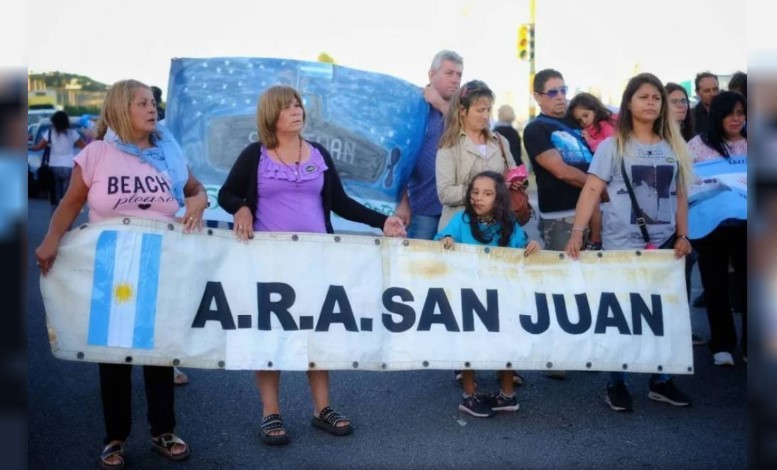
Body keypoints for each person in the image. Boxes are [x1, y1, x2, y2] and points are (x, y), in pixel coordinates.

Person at [217, 85, 406, 446]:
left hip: (317, 261)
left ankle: (322, 409)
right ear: (271, 114)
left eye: (298, 105)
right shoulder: (255, 154)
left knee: (317, 333)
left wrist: (382, 222)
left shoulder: (317, 153)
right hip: (269, 264)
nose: (297, 111)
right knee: (269, 333)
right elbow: (227, 193)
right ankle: (271, 412)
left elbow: (342, 203)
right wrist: (240, 207)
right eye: (288, 107)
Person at [35, 79, 207, 468]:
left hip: (162, 265)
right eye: (142, 103)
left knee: (159, 353)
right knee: (113, 357)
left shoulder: (169, 152)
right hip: (113, 269)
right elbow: (70, 204)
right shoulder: (97, 153)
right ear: (119, 109)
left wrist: (198, 200)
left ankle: (163, 431)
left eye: (152, 102)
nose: (152, 108)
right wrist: (51, 239)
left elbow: (197, 189)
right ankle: (115, 438)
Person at [565, 72, 694, 412]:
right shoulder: (612, 147)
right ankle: (616, 382)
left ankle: (661, 380)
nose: (651, 102)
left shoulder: (675, 147)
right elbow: (591, 190)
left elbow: (680, 196)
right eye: (644, 97)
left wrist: (683, 235)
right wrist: (577, 233)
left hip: (664, 247)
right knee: (620, 315)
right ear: (629, 103)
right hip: (620, 246)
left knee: (664, 315)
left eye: (656, 97)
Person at [435, 79, 527, 389]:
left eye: (489, 109)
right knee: (466, 302)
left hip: (498, 231)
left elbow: (513, 173)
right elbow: (445, 192)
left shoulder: (500, 140)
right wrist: (482, 189)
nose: (486, 115)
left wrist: (514, 182)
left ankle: (503, 363)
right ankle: (465, 364)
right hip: (461, 232)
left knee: (502, 300)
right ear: (462, 111)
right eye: (480, 109)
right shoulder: (449, 145)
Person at [436, 171, 540, 417]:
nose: (478, 197)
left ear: (499, 198)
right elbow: (440, 238)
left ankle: (507, 395)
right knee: (468, 343)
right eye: (475, 192)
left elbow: (521, 248)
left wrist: (531, 247)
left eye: (487, 193)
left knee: (504, 342)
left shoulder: (508, 223)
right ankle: (469, 395)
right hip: (468, 296)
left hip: (501, 297)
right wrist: (446, 239)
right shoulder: (462, 220)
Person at [523, 70, 603, 379]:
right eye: (552, 92)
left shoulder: (573, 123)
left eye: (563, 90)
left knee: (589, 284)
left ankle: (585, 351)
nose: (560, 97)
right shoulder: (536, 129)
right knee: (562, 284)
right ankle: (557, 356)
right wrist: (599, 187)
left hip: (593, 212)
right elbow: (560, 170)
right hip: (561, 216)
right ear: (538, 96)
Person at [687, 91, 747, 366]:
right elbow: (685, 182)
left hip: (749, 227)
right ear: (717, 116)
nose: (736, 119)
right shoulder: (698, 145)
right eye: (730, 113)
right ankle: (722, 343)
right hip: (710, 227)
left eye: (741, 113)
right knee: (715, 284)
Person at [394, 50, 463, 239]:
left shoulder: (463, 109)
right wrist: (402, 201)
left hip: (457, 209)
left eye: (459, 75)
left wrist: (441, 104)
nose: (455, 80)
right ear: (432, 74)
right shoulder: (414, 106)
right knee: (419, 257)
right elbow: (399, 158)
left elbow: (470, 134)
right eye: (449, 73)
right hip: (421, 207)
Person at [29, 110, 86, 205]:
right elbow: (84, 147)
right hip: (69, 166)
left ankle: (55, 210)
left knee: (55, 193)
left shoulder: (49, 133)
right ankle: (64, 207)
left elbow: (39, 147)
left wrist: (29, 147)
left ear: (54, 122)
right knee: (66, 193)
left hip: (53, 166)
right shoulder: (72, 133)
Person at [693, 72, 720, 136]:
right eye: (707, 91)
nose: (712, 94)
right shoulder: (691, 117)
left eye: (715, 89)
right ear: (697, 93)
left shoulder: (728, 112)